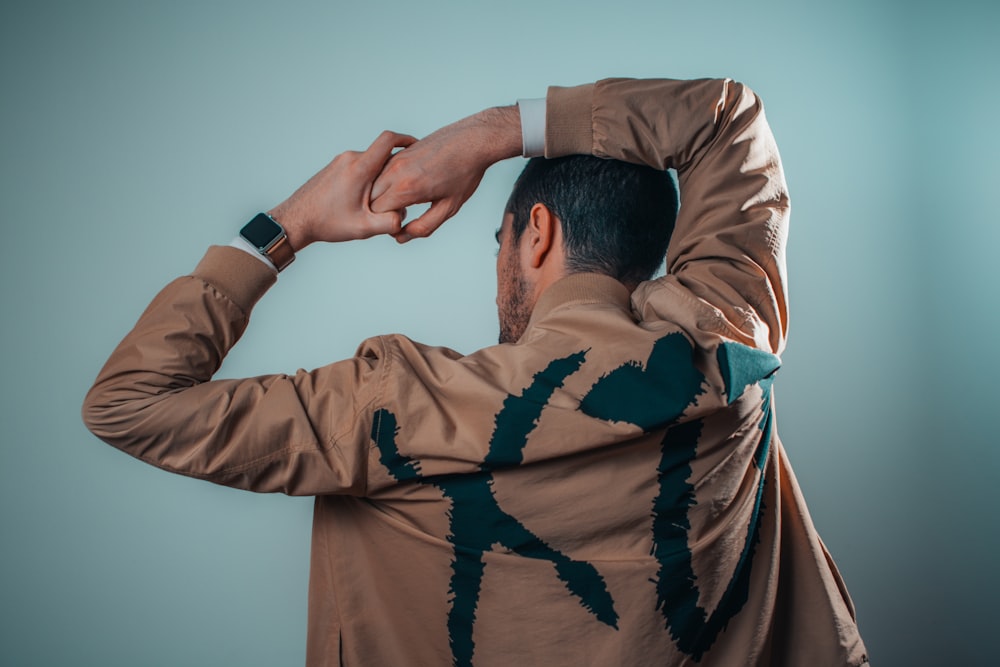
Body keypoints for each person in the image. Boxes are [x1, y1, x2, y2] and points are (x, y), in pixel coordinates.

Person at [83, 77, 869, 666]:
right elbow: (724, 119)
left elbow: (128, 402)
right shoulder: (731, 332)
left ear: (536, 233)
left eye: (495, 241)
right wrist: (493, 134)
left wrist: (286, 226)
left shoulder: (394, 406)